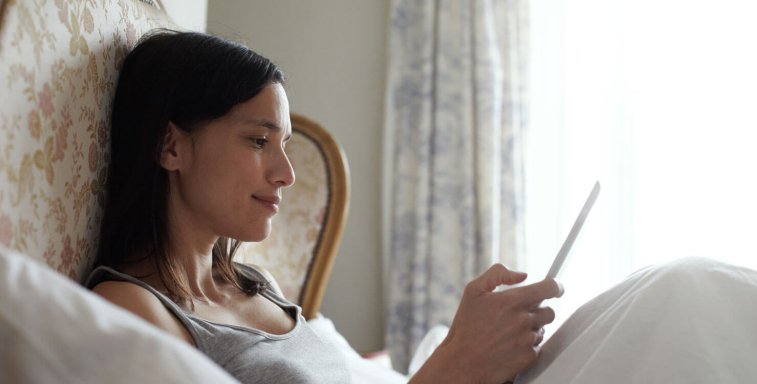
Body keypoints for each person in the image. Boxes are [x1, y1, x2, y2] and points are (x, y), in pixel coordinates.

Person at [87, 30, 562, 384]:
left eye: (285, 145)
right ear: (171, 147)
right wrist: (457, 360)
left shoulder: (256, 285)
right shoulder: (131, 308)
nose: (286, 174)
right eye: (258, 140)